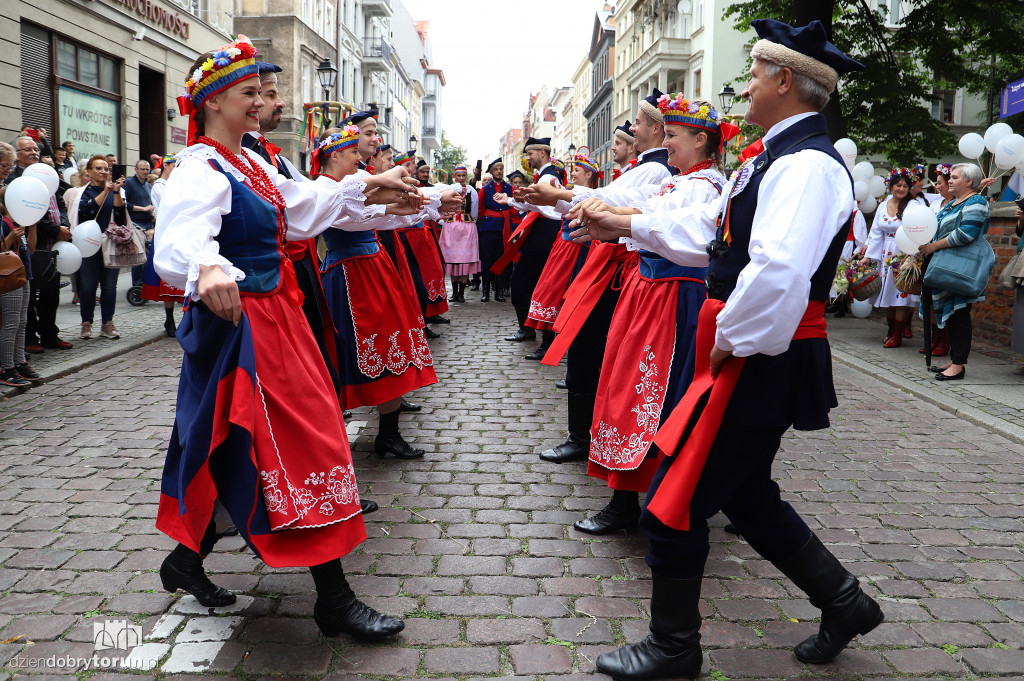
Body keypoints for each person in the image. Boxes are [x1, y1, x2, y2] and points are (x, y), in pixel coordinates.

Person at [573, 20, 881, 679]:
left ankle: (674, 646)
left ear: (784, 81)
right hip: (757, 345)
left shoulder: (804, 167)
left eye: (755, 72)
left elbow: (777, 273)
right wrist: (623, 220)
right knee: (746, 495)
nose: (744, 85)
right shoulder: (777, 160)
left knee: (676, 499)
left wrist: (726, 343)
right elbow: (707, 236)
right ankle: (844, 600)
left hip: (758, 349)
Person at [154, 36, 421, 640]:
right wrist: (207, 266)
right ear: (215, 102)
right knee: (300, 445)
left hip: (279, 319)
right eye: (248, 93)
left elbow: (306, 209)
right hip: (244, 328)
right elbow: (173, 245)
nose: (259, 103)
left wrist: (380, 189)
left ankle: (186, 560)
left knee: (243, 446)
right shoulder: (199, 167)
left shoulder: (248, 161)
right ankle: (334, 597)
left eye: (258, 93)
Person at [313, 127, 440, 460]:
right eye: (353, 153)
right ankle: (347, 434)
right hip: (351, 273)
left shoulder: (351, 185)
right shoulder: (326, 189)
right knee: (358, 348)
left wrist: (418, 206)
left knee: (392, 341)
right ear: (335, 155)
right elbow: (354, 217)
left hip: (373, 267)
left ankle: (389, 433)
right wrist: (397, 205)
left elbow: (377, 214)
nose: (360, 158)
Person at [917, 163, 991, 381]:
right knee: (952, 315)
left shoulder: (976, 201)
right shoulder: (953, 203)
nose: (949, 180)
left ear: (969, 181)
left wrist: (933, 246)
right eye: (950, 177)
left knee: (959, 314)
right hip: (945, 265)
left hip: (960, 267)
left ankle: (959, 365)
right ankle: (954, 358)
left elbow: (966, 233)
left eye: (955, 177)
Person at [522, 155, 601, 354]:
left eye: (577, 170)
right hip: (563, 247)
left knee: (558, 293)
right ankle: (549, 343)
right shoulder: (570, 192)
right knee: (551, 291)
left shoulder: (591, 195)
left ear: (588, 174)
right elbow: (553, 211)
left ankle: (556, 345)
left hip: (576, 250)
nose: (572, 173)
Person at [7, 136, 74, 352]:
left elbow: (60, 203)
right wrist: (55, 229)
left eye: (35, 148)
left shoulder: (46, 172)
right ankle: (30, 338)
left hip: (53, 245)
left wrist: (63, 225)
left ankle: (49, 334)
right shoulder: (14, 178)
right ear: (17, 155)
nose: (34, 152)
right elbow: (28, 210)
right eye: (28, 149)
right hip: (27, 242)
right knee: (28, 292)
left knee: (51, 292)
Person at [502, 138, 565, 354]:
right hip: (542, 235)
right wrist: (511, 200)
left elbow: (545, 206)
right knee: (535, 285)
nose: (528, 158)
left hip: (544, 237)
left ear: (542, 153)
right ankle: (533, 332)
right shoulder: (548, 174)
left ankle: (539, 336)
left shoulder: (548, 176)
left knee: (531, 285)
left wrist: (512, 200)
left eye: (530, 154)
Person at [860, 168, 926, 347]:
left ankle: (897, 333)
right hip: (884, 253)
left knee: (900, 295)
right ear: (891, 186)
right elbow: (875, 232)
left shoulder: (913, 206)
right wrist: (868, 256)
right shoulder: (883, 205)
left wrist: (912, 256)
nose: (902, 189)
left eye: (905, 186)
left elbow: (917, 231)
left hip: (903, 253)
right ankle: (890, 330)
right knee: (886, 295)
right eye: (898, 185)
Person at [74, 155, 126, 340]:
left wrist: (117, 192)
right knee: (87, 287)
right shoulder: (82, 192)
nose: (103, 172)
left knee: (110, 287)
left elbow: (120, 217)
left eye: (106, 169)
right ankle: (86, 323)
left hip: (110, 244)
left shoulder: (114, 191)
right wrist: (106, 191)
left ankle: (107, 323)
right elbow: (87, 212)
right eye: (98, 168)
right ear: (88, 172)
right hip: (88, 244)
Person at [0, 178, 41, 386]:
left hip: (23, 274)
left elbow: (30, 250)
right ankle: (6, 366)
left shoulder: (20, 221)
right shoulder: (3, 222)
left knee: (22, 321)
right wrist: (9, 238)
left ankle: (19, 362)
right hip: (9, 276)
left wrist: (32, 227)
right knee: (11, 322)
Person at [143, 154, 183, 337]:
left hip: (179, 232)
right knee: (167, 279)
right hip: (167, 232)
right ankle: (169, 319)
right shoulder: (159, 186)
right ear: (166, 166)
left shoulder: (178, 184)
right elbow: (164, 210)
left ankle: (183, 318)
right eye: (174, 165)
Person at [438, 164, 480, 302]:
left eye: (463, 175)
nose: (461, 178)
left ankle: (461, 293)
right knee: (452, 261)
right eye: (458, 175)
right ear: (454, 176)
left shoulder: (472, 191)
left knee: (464, 262)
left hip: (466, 228)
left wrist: (469, 222)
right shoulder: (448, 190)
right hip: (450, 227)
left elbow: (474, 211)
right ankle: (454, 292)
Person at [476, 159, 514, 302]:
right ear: (491, 172)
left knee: (501, 258)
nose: (499, 171)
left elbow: (514, 208)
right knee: (487, 258)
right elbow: (480, 210)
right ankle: (485, 291)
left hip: (504, 226)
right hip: (489, 227)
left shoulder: (510, 188)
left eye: (501, 169)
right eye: (496, 169)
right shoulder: (485, 190)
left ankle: (498, 291)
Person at [124, 159, 155, 287]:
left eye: (147, 169)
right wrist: (143, 209)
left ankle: (146, 283)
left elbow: (150, 203)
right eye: (142, 169)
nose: (145, 172)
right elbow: (124, 203)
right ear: (135, 169)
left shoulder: (147, 185)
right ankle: (137, 285)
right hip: (136, 223)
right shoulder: (129, 183)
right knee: (139, 256)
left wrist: (152, 213)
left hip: (148, 223)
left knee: (148, 256)